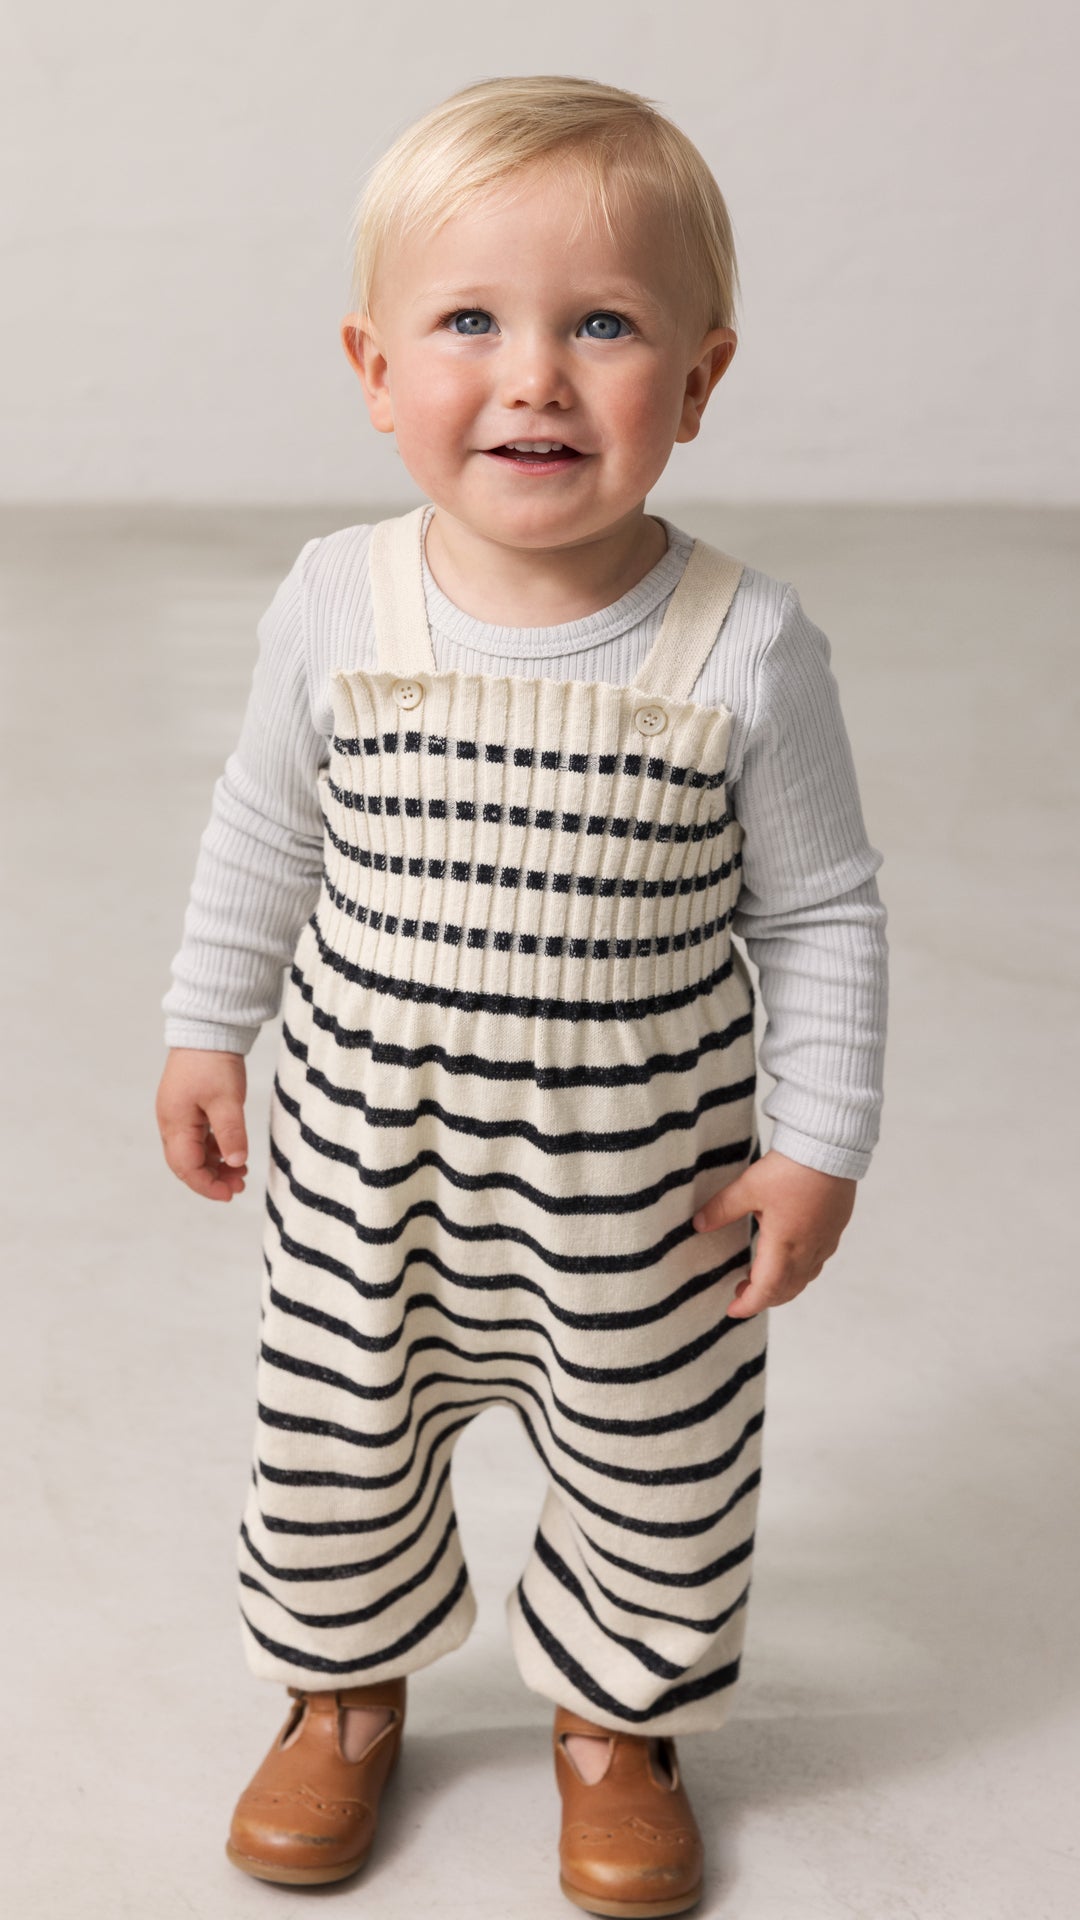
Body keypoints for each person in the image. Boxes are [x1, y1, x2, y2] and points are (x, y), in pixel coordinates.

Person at [156, 74, 888, 1918]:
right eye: (470, 321)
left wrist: (820, 1142)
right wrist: (205, 1025)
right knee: (337, 1438)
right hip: (368, 1167)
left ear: (701, 380)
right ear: (374, 367)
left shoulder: (744, 643)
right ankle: (342, 1693)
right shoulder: (339, 602)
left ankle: (617, 1722)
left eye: (605, 327)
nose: (536, 376)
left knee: (658, 1458)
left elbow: (823, 913)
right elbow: (267, 827)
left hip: (641, 1188)